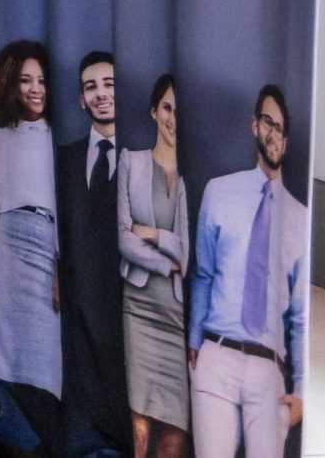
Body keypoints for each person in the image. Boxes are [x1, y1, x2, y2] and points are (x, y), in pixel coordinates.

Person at [187, 84, 309, 458]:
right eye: (268, 122)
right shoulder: (219, 193)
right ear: (254, 126)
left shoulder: (301, 220)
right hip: (217, 355)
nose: (275, 133)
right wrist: (193, 345)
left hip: (268, 370)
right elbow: (203, 274)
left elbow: (301, 318)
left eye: (282, 128)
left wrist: (302, 391)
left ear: (287, 141)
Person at [0, 39, 64, 450]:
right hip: (7, 250)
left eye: (42, 81)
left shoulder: (57, 138)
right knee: (10, 352)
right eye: (26, 80)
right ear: (10, 85)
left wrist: (61, 264)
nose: (35, 89)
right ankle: (21, 442)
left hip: (49, 244)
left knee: (50, 360)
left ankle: (48, 440)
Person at [57, 51, 133, 456]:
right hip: (77, 316)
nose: (101, 94)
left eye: (109, 84)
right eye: (91, 87)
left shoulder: (142, 160)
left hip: (127, 313)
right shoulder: (64, 160)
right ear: (81, 100)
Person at [118, 73, 194, 458]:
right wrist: (165, 265)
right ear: (153, 112)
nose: (172, 118)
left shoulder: (183, 182)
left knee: (175, 438)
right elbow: (122, 239)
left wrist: (154, 235)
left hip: (174, 316)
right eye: (166, 107)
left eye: (179, 111)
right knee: (140, 429)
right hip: (139, 307)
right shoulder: (130, 163)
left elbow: (186, 253)